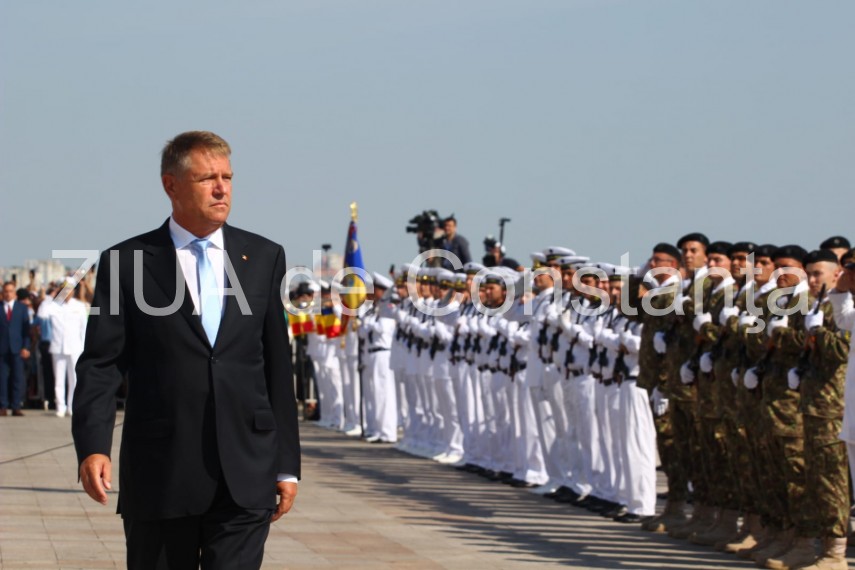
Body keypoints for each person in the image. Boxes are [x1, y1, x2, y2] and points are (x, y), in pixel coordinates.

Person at [72, 131, 300, 569]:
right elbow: (101, 364)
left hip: (245, 473)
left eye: (227, 177)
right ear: (171, 185)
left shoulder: (264, 256)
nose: (221, 189)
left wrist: (286, 464)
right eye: (207, 178)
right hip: (162, 472)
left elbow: (274, 365)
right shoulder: (128, 262)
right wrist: (92, 445)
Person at [0, 280, 31, 416]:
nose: (8, 294)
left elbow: (26, 331)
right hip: (2, 349)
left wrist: (26, 347)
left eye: (11, 291)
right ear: (2, 293)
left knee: (17, 377)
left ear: (15, 293)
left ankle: (16, 405)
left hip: (17, 348)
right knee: (2, 378)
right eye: (5, 291)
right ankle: (3, 406)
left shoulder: (22, 308)